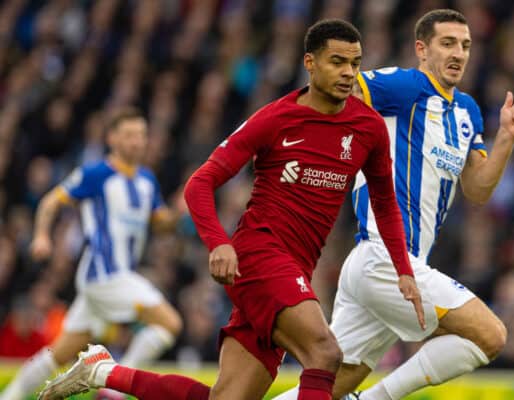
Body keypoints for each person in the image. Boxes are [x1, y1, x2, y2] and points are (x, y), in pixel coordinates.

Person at [37, 19, 425, 400]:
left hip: (297, 267)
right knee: (325, 353)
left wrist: (403, 270)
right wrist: (219, 243)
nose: (348, 73)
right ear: (310, 63)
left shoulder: (368, 128)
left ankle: (102, 370)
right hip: (258, 254)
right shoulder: (275, 119)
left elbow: (385, 203)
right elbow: (199, 184)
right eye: (337, 62)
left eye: (355, 64)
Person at [275, 8, 514, 400]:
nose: (458, 53)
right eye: (447, 43)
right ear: (421, 49)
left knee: (327, 386)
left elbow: (478, 190)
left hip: (398, 268)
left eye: (465, 45)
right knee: (490, 335)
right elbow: (340, 91)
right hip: (384, 258)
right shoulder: (404, 85)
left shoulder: (467, 112)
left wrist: (507, 139)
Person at [1, 108, 182, 400]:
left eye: (141, 135)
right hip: (104, 273)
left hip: (115, 278)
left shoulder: (147, 180)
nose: (137, 142)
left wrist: (178, 211)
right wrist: (41, 235)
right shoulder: (95, 174)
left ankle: (8, 396)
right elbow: (51, 201)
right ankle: (113, 392)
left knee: (58, 353)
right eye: (130, 135)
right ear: (112, 138)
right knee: (170, 323)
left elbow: (161, 223)